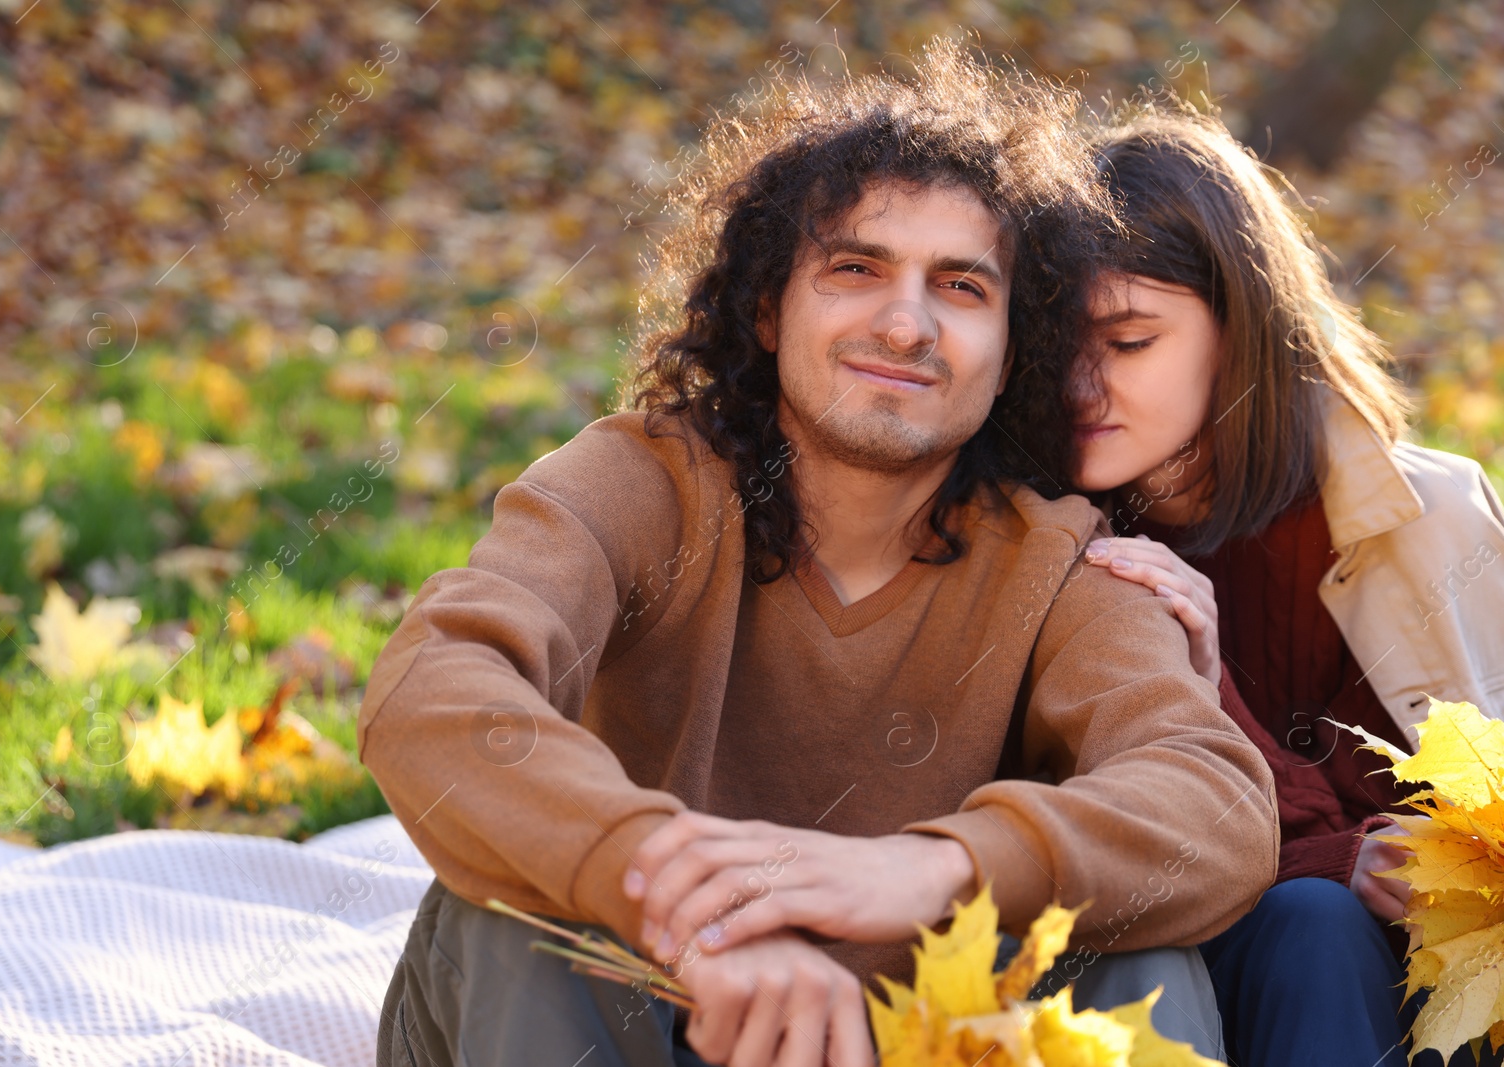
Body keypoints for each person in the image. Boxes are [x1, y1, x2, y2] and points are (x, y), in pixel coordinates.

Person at [359, 44, 1278, 1067]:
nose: (905, 321)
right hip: (635, 1013)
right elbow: (432, 684)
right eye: (855, 269)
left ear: (1013, 345)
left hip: (898, 1039)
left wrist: (925, 871)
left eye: (962, 287)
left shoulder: (1055, 560)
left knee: (1133, 956)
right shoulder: (644, 483)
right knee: (504, 911)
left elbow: (1215, 806)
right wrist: (671, 893)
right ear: (767, 306)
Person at [1070, 107, 1504, 1066]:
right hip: (1171, 969)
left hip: (1431, 1001)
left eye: (1129, 341)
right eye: (1053, 345)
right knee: (1311, 915)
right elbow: (1088, 837)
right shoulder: (1056, 533)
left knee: (1329, 924)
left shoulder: (1432, 518)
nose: (1079, 387)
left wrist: (1424, 863)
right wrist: (1332, 856)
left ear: (1244, 331)